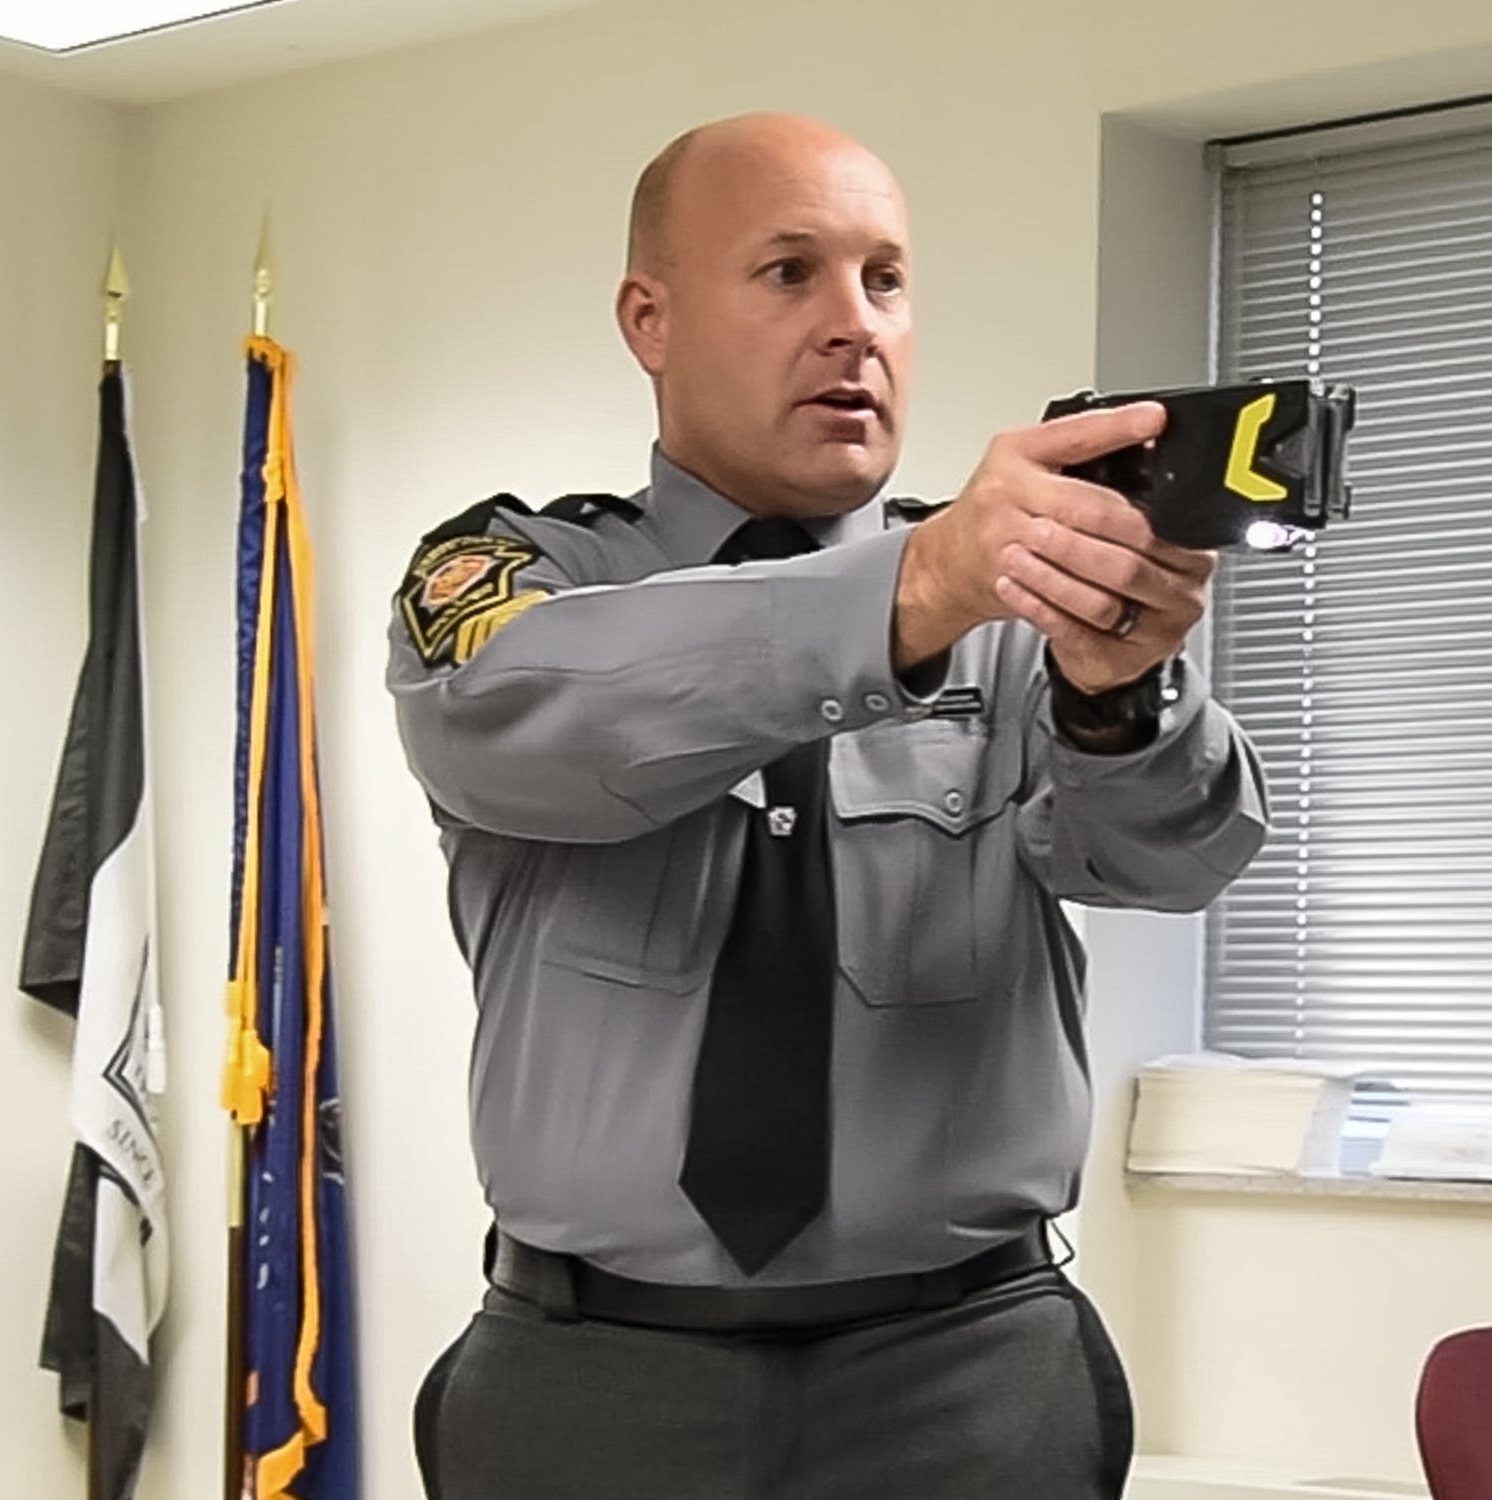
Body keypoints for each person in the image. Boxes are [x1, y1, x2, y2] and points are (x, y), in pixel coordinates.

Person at [389, 111, 1269, 1500]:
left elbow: (1163, 863)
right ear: (650, 318)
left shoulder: (1008, 605)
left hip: (965, 1382)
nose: (854, 325)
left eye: (887, 279)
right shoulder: (514, 574)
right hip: (595, 1389)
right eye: (790, 272)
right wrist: (913, 596)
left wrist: (1117, 695)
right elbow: (532, 722)